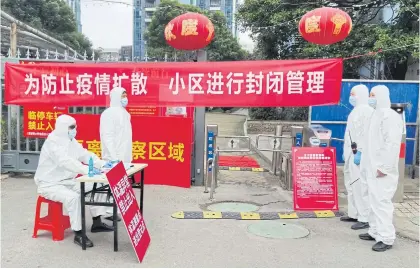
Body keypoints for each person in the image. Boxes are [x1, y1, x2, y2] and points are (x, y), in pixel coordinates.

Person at [34, 114, 114, 248]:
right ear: (62, 128)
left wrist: (102, 164)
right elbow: (65, 162)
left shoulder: (70, 140)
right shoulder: (52, 142)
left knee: (99, 184)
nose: (74, 130)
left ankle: (97, 221)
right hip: (49, 184)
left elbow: (84, 154)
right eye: (71, 127)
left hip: (68, 181)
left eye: (75, 127)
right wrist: (87, 170)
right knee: (74, 198)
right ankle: (79, 233)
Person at [359, 85, 403, 252]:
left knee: (382, 202)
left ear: (381, 96)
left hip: (383, 170)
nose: (371, 99)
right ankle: (374, 230)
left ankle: (386, 237)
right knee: (372, 200)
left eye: (373, 95)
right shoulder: (375, 115)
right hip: (371, 167)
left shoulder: (390, 116)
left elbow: (392, 144)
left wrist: (384, 167)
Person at [341, 85, 374, 230]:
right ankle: (353, 213)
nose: (351, 97)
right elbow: (350, 134)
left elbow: (366, 135)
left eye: (353, 94)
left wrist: (360, 151)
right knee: (350, 184)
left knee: (360, 186)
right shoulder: (355, 111)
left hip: (359, 155)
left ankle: (364, 217)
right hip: (350, 154)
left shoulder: (367, 112)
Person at [100, 87, 133, 220]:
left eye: (125, 95)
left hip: (124, 156)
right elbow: (107, 137)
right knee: (108, 185)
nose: (125, 98)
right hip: (112, 157)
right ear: (115, 97)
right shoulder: (108, 114)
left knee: (120, 186)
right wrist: (114, 157)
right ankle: (105, 212)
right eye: (122, 96)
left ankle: (115, 211)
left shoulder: (125, 113)